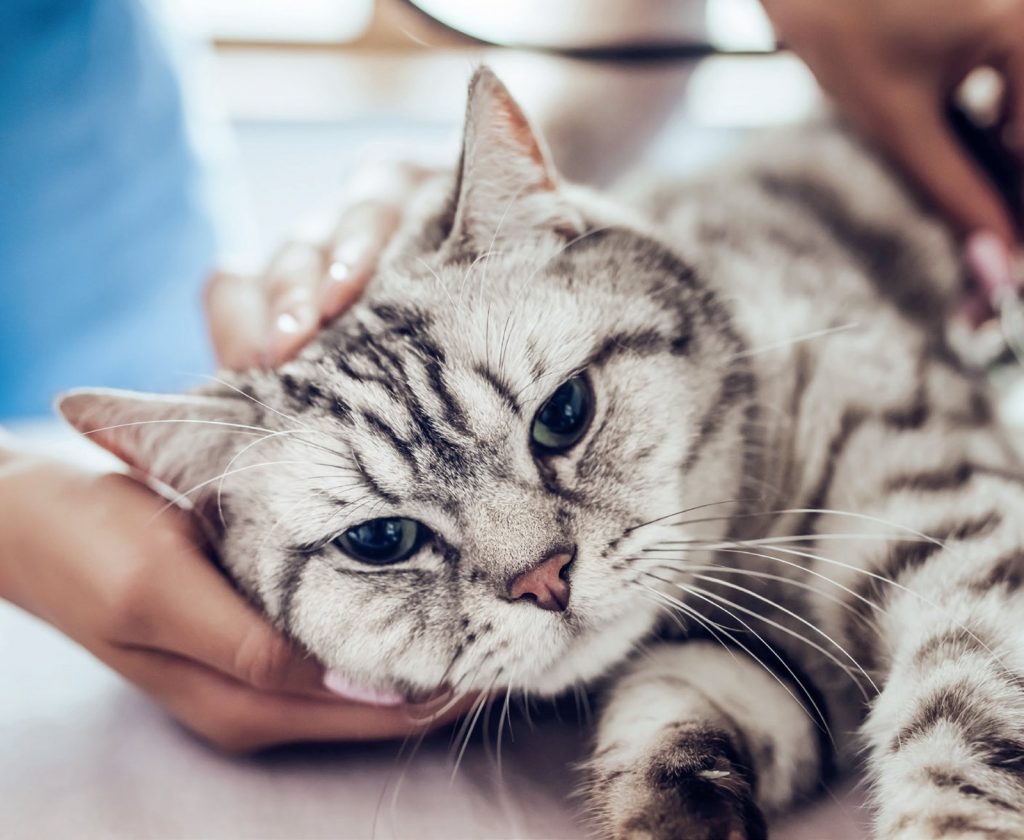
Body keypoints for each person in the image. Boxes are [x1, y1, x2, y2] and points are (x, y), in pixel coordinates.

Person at [1, 0, 1022, 752]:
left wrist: (495, 202)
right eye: (383, 538)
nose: (535, 571)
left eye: (560, 416)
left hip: (86, 165)